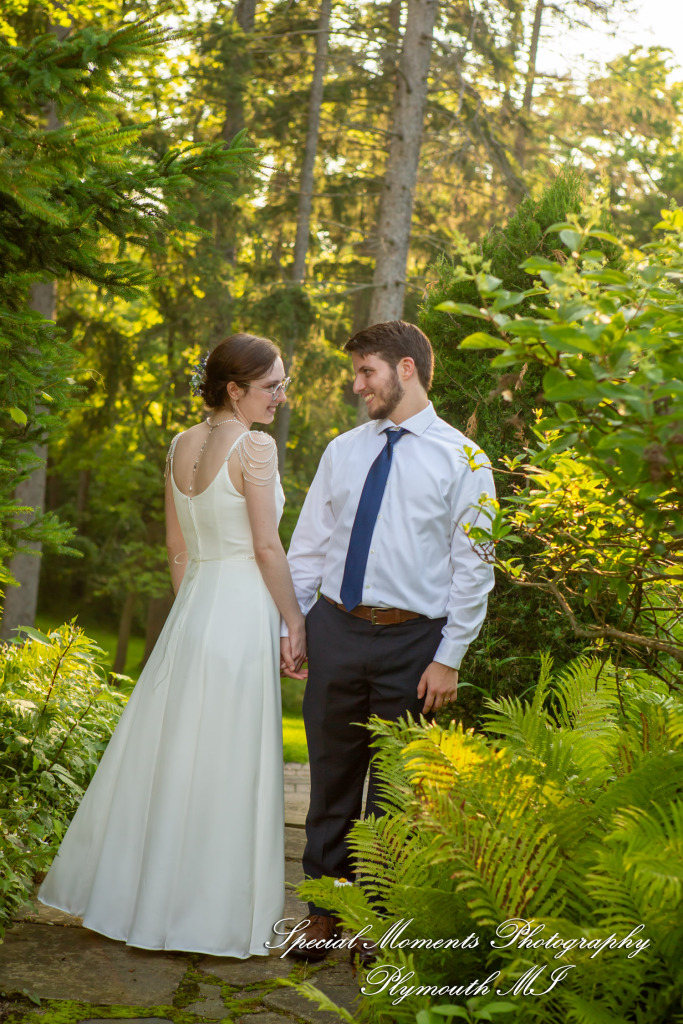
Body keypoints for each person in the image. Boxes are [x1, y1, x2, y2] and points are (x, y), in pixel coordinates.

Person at [39, 333, 307, 958]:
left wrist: (192, 610)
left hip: (195, 612)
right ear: (235, 389)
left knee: (178, 756)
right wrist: (292, 621)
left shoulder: (180, 444)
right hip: (240, 615)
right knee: (227, 761)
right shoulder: (256, 447)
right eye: (272, 386)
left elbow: (177, 550)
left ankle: (150, 903)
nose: (282, 397)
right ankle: (209, 916)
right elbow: (267, 547)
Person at [280, 320, 496, 962]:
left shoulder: (466, 461)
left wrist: (448, 657)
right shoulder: (342, 450)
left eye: (366, 371)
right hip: (336, 628)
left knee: (397, 791)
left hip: (415, 643)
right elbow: (308, 545)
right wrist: (292, 625)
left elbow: (473, 566)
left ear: (406, 369)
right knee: (332, 777)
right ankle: (322, 913)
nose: (356, 385)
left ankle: (382, 923)